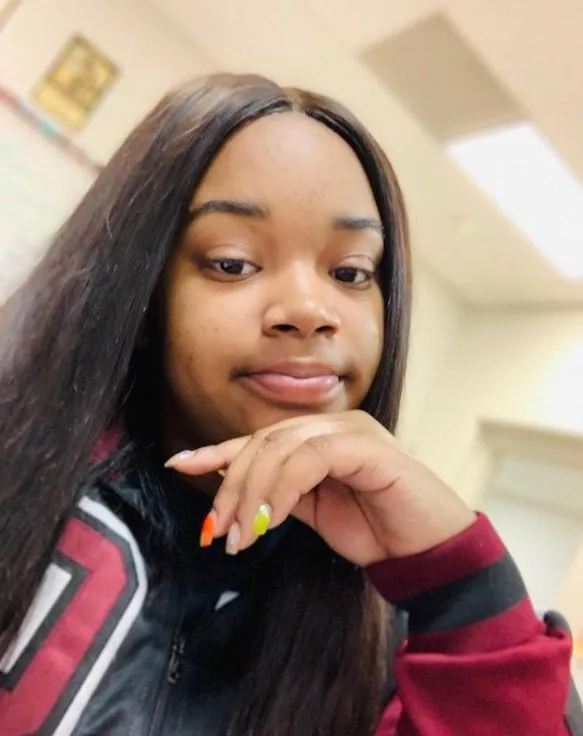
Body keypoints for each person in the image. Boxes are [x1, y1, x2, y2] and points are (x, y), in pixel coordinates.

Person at [0, 73, 576, 736]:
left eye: (350, 273)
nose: (309, 310)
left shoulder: (392, 642)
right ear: (143, 284)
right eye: (231, 262)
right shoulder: (20, 481)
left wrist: (462, 589)